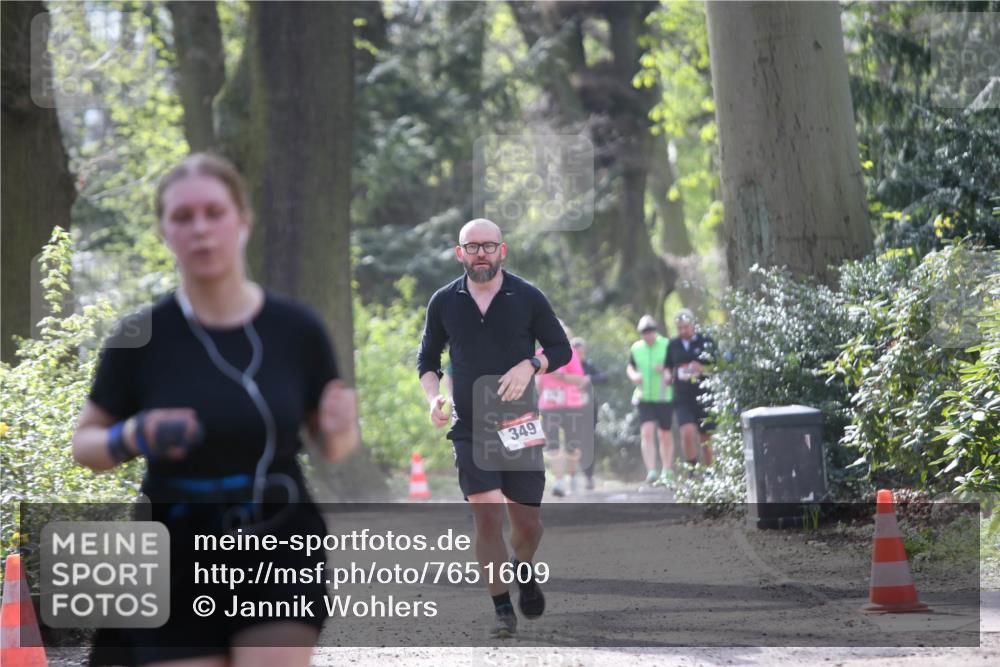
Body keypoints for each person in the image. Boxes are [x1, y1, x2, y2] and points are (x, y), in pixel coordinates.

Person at [71, 153, 360, 667]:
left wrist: (341, 428)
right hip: (174, 549)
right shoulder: (140, 337)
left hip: (279, 538)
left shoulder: (297, 330)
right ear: (164, 231)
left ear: (242, 222)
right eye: (183, 217)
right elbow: (85, 444)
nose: (200, 229)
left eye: (214, 212)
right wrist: (131, 436)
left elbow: (333, 445)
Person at [417, 218, 571, 638]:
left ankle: (523, 567)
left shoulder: (527, 296)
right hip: (469, 428)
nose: (481, 252)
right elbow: (427, 362)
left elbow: (560, 348)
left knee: (526, 525)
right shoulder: (444, 301)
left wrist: (531, 364)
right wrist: (435, 398)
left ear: (502, 250)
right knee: (487, 517)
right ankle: (502, 607)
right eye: (473, 246)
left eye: (489, 245)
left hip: (519, 425)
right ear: (459, 252)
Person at [536, 323, 591, 498]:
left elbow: (581, 381)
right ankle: (559, 482)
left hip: (571, 405)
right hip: (549, 407)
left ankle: (573, 477)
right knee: (553, 445)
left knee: (572, 446)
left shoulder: (570, 353)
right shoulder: (538, 354)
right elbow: (537, 382)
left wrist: (561, 376)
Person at [626, 315, 675, 488]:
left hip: (663, 396)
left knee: (665, 434)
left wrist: (666, 371)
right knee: (647, 432)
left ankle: (667, 471)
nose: (648, 335)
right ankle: (651, 471)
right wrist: (634, 376)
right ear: (641, 334)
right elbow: (630, 366)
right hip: (644, 396)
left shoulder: (666, 344)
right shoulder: (636, 348)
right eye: (645, 332)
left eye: (651, 331)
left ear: (655, 331)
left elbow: (673, 366)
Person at [666, 308, 715, 472]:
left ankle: (709, 472)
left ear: (693, 325)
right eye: (679, 328)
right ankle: (692, 469)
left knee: (705, 438)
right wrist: (668, 376)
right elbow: (668, 367)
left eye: (685, 327)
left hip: (704, 395)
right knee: (687, 432)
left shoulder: (706, 342)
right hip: (682, 396)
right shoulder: (673, 345)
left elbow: (718, 367)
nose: (683, 331)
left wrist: (702, 368)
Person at [572, 336, 608, 491]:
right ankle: (571, 476)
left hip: (588, 410)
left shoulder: (588, 366)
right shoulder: (565, 367)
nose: (579, 356)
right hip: (570, 410)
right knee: (573, 441)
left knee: (588, 442)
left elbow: (604, 377)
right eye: (575, 353)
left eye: (581, 353)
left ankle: (588, 476)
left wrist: (589, 378)